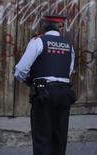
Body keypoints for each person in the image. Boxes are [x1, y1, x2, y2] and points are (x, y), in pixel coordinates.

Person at [13, 15, 77, 155]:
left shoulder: (38, 41)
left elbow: (20, 70)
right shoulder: (68, 45)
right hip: (64, 93)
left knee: (42, 137)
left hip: (44, 93)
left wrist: (29, 82)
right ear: (60, 28)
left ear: (45, 26)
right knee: (60, 138)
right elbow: (69, 71)